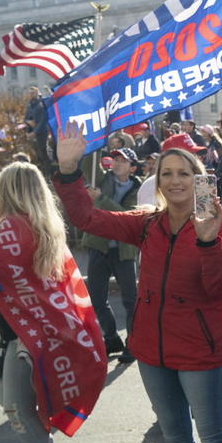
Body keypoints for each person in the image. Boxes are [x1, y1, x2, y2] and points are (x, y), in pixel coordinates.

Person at [54, 121, 222, 443]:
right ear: (157, 182)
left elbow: (218, 292)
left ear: (199, 181)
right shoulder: (147, 224)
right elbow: (86, 218)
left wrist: (210, 240)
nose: (175, 181)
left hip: (200, 351)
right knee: (177, 440)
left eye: (185, 174)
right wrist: (67, 170)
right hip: (151, 352)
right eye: (167, 173)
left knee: (212, 439)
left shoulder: (220, 225)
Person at [0, 163, 83, 443]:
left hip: (25, 335)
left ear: (8, 190)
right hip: (41, 333)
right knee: (9, 399)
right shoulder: (42, 224)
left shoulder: (10, 230)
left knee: (17, 407)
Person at [82, 146, 141, 364]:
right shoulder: (102, 179)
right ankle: (111, 337)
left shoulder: (138, 187)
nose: (117, 163)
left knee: (130, 300)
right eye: (115, 158)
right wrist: (93, 143)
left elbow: (126, 215)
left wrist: (101, 199)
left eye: (123, 160)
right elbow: (89, 163)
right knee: (97, 298)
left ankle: (133, 343)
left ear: (132, 167)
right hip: (99, 246)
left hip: (124, 250)